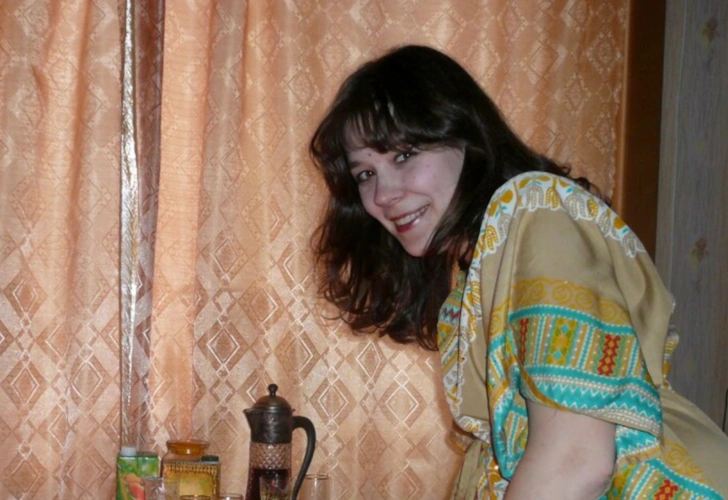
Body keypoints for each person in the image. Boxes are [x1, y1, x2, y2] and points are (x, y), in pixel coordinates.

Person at [309, 44, 728, 499]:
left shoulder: (536, 211)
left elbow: (575, 460)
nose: (382, 194)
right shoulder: (475, 275)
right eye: (365, 174)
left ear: (466, 136)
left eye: (403, 155)